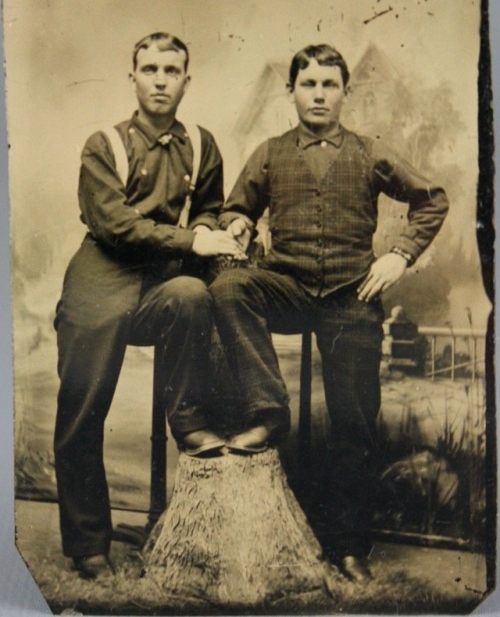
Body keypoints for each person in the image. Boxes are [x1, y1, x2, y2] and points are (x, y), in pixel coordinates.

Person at [210, 43, 449, 582]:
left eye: (329, 85)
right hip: (288, 288)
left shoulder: (369, 152)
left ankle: (350, 548)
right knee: (227, 288)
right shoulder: (270, 152)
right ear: (291, 91)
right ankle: (270, 409)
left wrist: (399, 254)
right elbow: (234, 208)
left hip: (351, 298)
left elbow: (432, 198)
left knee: (355, 421)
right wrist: (238, 224)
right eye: (308, 84)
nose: (318, 95)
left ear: (345, 92)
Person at [54, 32, 244, 579]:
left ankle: (186, 419)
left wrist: (219, 228)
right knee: (83, 406)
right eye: (150, 69)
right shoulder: (104, 145)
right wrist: (193, 241)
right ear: (132, 77)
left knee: (192, 294)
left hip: (162, 281)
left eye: (172, 71)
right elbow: (115, 226)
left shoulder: (202, 144)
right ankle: (89, 545)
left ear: (187, 81)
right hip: (101, 278)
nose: (161, 81)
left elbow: (206, 209)